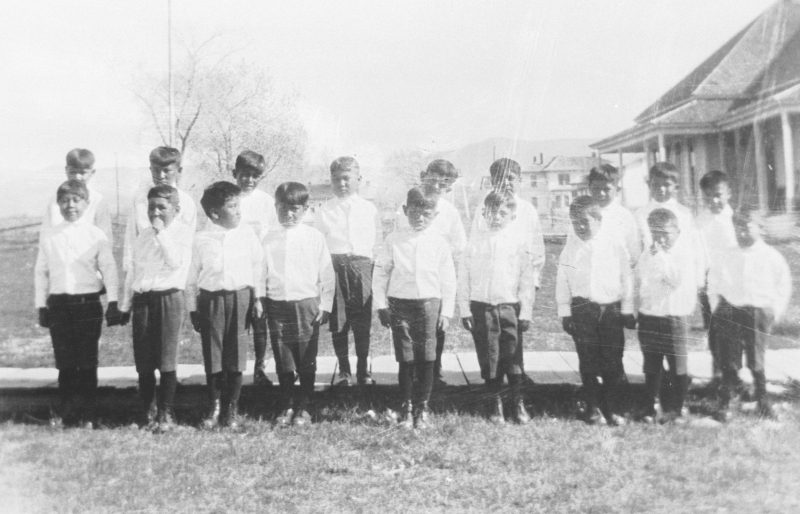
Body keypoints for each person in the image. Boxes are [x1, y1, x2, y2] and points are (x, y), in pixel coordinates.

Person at [35, 180, 121, 428]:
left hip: (87, 305)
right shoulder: (50, 235)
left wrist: (113, 301)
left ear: (86, 203)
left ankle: (89, 414)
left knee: (87, 360)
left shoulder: (95, 235)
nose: (70, 205)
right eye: (64, 200)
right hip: (59, 305)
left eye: (76, 200)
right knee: (65, 361)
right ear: (58, 203)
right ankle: (68, 413)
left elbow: (109, 269)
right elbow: (41, 272)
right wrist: (42, 305)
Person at [374, 187, 457, 430]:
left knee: (427, 358)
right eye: (414, 213)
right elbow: (380, 275)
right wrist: (381, 306)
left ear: (435, 214)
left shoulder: (439, 242)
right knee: (406, 358)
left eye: (426, 213)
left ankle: (423, 407)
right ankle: (406, 407)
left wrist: (447, 311)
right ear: (405, 211)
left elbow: (448, 279)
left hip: (430, 305)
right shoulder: (394, 240)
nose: (419, 218)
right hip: (400, 305)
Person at [187, 182, 265, 430]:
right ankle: (215, 407)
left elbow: (258, 268)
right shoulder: (201, 239)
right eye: (232, 206)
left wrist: (258, 299)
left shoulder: (247, 234)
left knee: (236, 357)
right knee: (214, 357)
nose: (239, 211)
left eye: (238, 204)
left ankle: (232, 409)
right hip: (210, 301)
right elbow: (191, 279)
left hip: (241, 298)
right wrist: (192, 309)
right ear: (214, 214)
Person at [119, 185, 193, 432]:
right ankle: (146, 411)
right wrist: (125, 303)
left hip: (168, 298)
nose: (156, 212)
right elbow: (135, 271)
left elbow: (174, 262)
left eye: (162, 207)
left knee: (166, 356)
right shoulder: (143, 236)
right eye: (152, 207)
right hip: (144, 300)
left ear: (177, 209)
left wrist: (162, 234)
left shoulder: (182, 233)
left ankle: (166, 412)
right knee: (144, 358)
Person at [556, 196, 635, 426]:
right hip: (582, 311)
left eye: (585, 221)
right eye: (575, 222)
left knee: (612, 360)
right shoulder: (570, 250)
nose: (580, 227)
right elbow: (563, 281)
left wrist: (627, 309)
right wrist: (564, 311)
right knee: (588, 360)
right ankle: (592, 407)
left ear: (599, 220)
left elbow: (626, 279)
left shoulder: (613, 246)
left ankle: (611, 407)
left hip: (610, 311)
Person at [459, 191, 536, 425]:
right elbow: (464, 279)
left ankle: (517, 402)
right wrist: (465, 309)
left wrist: (526, 312)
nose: (496, 217)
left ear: (512, 216)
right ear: (484, 213)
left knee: (513, 356)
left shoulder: (518, 244)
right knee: (489, 356)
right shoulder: (474, 244)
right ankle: (495, 403)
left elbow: (526, 280)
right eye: (492, 212)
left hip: (509, 307)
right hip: (482, 308)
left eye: (502, 213)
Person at [708, 208, 791, 420]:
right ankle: (727, 401)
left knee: (756, 359)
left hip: (757, 311)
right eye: (737, 227)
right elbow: (714, 281)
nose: (741, 232)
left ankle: (762, 400)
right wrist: (717, 306)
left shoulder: (771, 256)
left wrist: (774, 311)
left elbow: (783, 285)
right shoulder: (727, 253)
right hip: (730, 311)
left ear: (760, 229)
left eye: (746, 227)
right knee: (729, 358)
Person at [263, 182, 335, 427]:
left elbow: (327, 275)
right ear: (275, 207)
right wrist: (261, 301)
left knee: (306, 359)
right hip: (276, 306)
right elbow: (260, 272)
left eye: (295, 209)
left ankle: (303, 406)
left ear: (306, 209)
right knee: (283, 359)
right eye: (283, 208)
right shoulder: (268, 238)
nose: (289, 214)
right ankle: (286, 404)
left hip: (306, 305)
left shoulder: (314, 237)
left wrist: (325, 306)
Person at [396, 160, 465, 387]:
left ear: (450, 187)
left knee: (436, 326)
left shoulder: (450, 212)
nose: (436, 186)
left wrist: (440, 253)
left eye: (443, 184)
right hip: (409, 277)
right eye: (432, 180)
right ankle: (412, 372)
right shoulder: (405, 207)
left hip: (435, 275)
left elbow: (459, 244)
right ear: (422, 176)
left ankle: (434, 371)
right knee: (408, 331)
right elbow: (399, 239)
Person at [314, 157, 381, 387]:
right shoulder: (325, 210)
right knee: (339, 322)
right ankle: (344, 370)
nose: (341, 184)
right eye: (336, 179)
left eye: (346, 178)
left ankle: (363, 369)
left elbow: (377, 244)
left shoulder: (369, 209)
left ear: (358, 180)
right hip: (335, 268)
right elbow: (320, 246)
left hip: (362, 268)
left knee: (362, 322)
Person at [635, 209, 703, 423]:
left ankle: (678, 408)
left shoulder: (682, 255)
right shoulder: (647, 255)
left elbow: (674, 279)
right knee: (652, 365)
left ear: (678, 232)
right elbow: (639, 280)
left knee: (677, 366)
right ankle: (651, 406)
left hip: (673, 317)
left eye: (666, 233)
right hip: (650, 316)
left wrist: (660, 257)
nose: (661, 239)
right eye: (656, 233)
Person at [232, 150, 280, 388]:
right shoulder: (229, 199)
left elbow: (274, 233)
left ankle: (260, 367)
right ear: (235, 174)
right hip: (235, 267)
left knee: (260, 320)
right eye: (244, 174)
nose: (249, 180)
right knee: (240, 322)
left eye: (254, 175)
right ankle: (235, 370)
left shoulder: (266, 202)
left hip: (260, 267)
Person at [124, 146, 197, 273]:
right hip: (144, 270)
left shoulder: (186, 202)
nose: (161, 176)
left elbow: (188, 245)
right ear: (150, 169)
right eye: (156, 170)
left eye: (167, 170)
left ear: (179, 171)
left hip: (171, 273)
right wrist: (129, 269)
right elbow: (131, 237)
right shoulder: (140, 199)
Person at [695, 170, 737, 380]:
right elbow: (698, 254)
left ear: (729, 193)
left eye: (718, 194)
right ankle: (718, 374)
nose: (713, 200)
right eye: (708, 196)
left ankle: (733, 375)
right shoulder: (700, 222)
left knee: (734, 331)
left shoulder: (736, 219)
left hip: (735, 284)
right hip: (709, 283)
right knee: (714, 330)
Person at [40, 148, 113, 242]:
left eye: (82, 172)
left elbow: (106, 237)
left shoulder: (98, 201)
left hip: (88, 254)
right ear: (66, 170)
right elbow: (45, 234)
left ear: (92, 172)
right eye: (72, 172)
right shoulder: (55, 199)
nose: (77, 177)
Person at [586, 164, 640, 265]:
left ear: (617, 190)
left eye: (606, 189)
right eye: (596, 188)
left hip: (618, 273)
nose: (601, 193)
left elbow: (635, 252)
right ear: (589, 188)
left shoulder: (624, 216)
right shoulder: (583, 214)